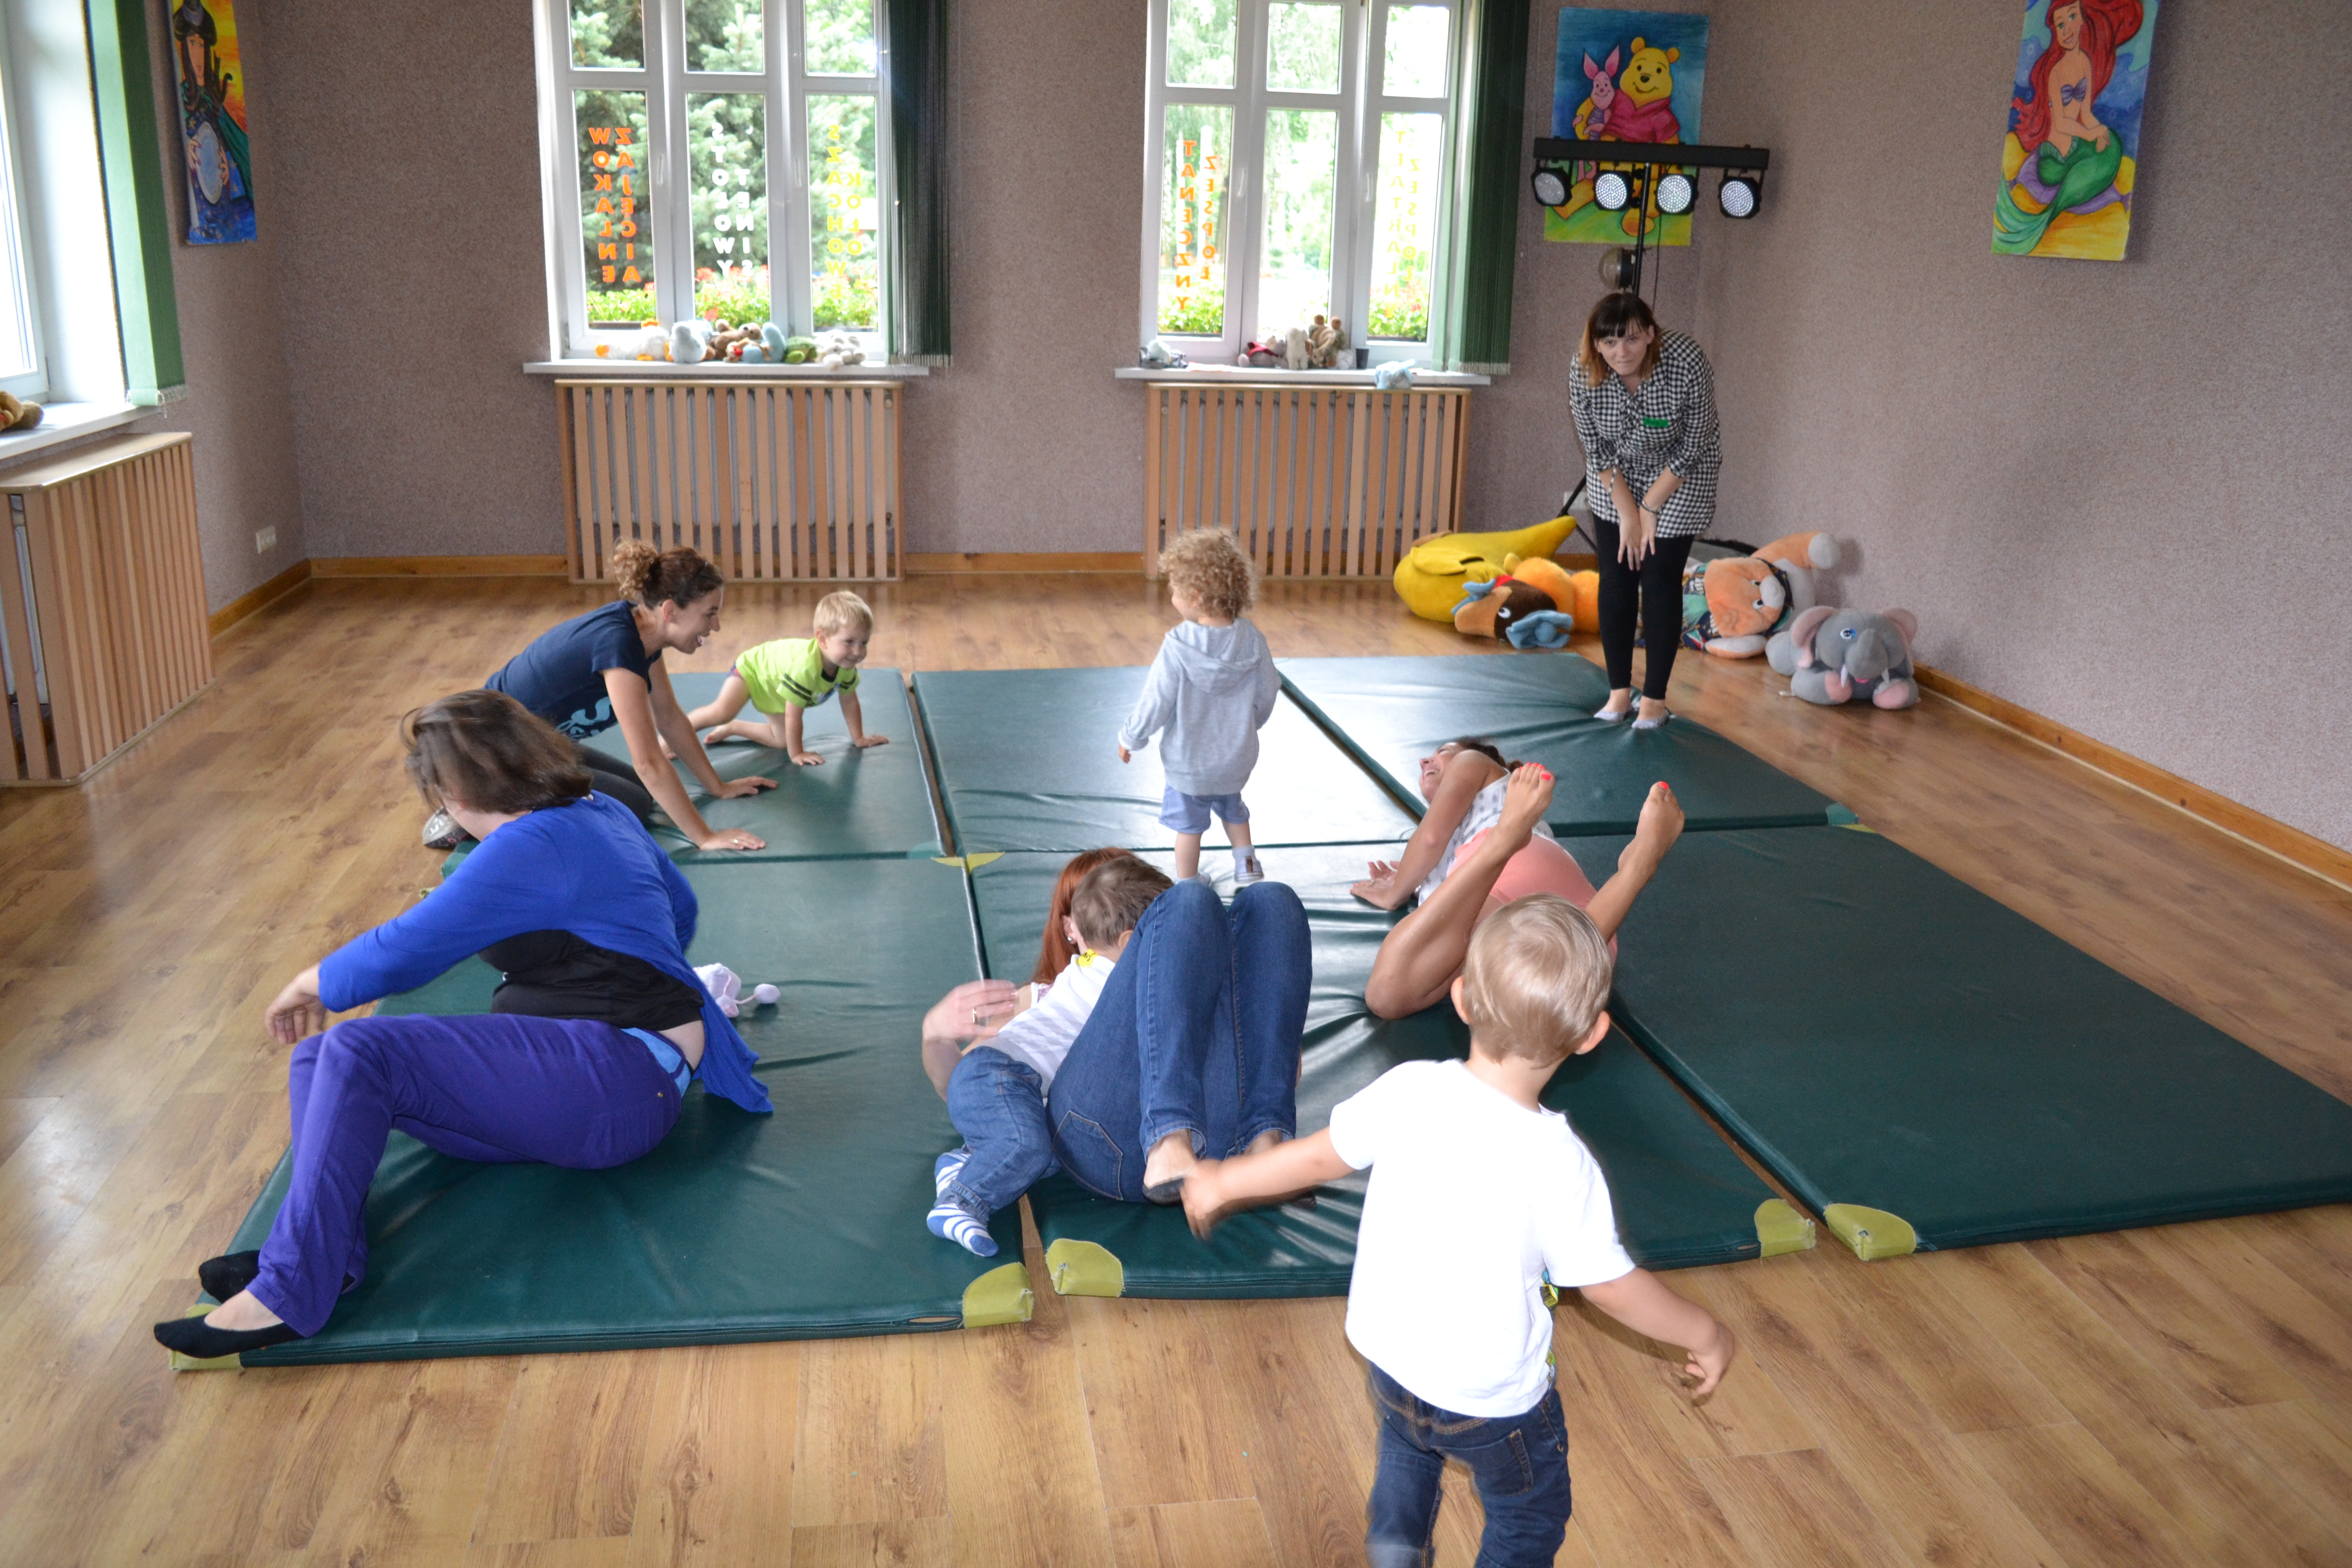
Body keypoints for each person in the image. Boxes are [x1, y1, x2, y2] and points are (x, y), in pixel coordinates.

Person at [153, 691, 772, 1362]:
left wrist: (307, 983)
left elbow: (404, 949)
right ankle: (320, 1257)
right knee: (320, 1058)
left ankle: (290, 1292)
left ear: (452, 792)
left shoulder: (535, 844)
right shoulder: (598, 809)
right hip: (616, 1080)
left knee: (358, 1050)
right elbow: (681, 911)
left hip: (621, 1083)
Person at [1181, 894, 1737, 1567]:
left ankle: (1396, 1548)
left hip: (1390, 1358)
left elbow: (1316, 1158)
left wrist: (1224, 1180)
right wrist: (1705, 1332)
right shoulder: (1560, 1162)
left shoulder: (1409, 1088)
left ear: (1463, 998)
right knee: (1529, 1513)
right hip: (1490, 1399)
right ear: (1592, 1034)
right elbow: (1610, 1287)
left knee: (1408, 1446)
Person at [919, 853, 1311, 1217]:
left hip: (1219, 1137)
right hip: (1106, 1138)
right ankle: (1168, 1138)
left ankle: (1266, 1144)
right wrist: (935, 1036)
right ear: (1070, 928)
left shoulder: (1188, 965)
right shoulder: (1042, 997)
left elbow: (1283, 1071)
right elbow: (976, 1089)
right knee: (1192, 897)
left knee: (1272, 900)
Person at [460, 540, 774, 852]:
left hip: (540, 744)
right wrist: (705, 837)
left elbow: (669, 718)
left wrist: (718, 787)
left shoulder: (644, 633)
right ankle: (482, 807)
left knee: (638, 795)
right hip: (490, 753)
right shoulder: (618, 645)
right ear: (670, 611)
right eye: (709, 614)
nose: (715, 626)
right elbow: (648, 762)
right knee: (632, 803)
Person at [920, 855, 1162, 1255]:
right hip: (997, 1073)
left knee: (1047, 1155)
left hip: (1016, 1086)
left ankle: (965, 1163)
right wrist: (935, 1036)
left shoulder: (1084, 970)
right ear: (1070, 928)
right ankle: (961, 1200)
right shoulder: (1083, 986)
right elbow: (964, 1088)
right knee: (1027, 1146)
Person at [1351, 740, 1681, 1019]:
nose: (1425, 760)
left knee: (1386, 995)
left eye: (1443, 751)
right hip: (1584, 937)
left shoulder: (1474, 764)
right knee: (1536, 1003)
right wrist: (1415, 881)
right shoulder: (1448, 860)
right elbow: (1436, 855)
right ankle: (1637, 867)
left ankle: (1502, 841)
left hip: (1511, 870)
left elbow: (1430, 838)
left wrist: (1396, 892)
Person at [1569, 290, 1721, 730]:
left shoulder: (1686, 361)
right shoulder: (1583, 370)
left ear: (1651, 334)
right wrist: (1628, 515)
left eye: (1633, 339)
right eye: (1610, 342)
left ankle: (1654, 699)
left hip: (1681, 470)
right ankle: (1619, 692)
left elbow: (1695, 442)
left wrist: (1651, 506)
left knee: (1658, 577)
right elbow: (1597, 450)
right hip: (1615, 471)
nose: (1622, 352)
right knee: (1617, 573)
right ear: (1596, 344)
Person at [1117, 531, 1280, 885]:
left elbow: (1156, 700)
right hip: (1235, 757)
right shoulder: (1252, 639)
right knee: (1234, 807)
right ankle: (1247, 865)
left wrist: (1132, 737)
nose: (1170, 595)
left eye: (1174, 589)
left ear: (1194, 596)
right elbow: (1269, 691)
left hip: (1189, 764)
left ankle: (1188, 883)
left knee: (1189, 827)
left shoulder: (1178, 645)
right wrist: (1250, 725)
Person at [681, 590, 890, 767]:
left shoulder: (845, 666)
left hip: (775, 687)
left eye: (864, 643)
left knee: (781, 741)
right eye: (849, 642)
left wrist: (859, 738)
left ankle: (734, 728)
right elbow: (793, 715)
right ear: (823, 639)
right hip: (754, 669)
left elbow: (850, 701)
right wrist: (797, 753)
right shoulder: (806, 668)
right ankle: (672, 739)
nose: (857, 652)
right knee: (722, 712)